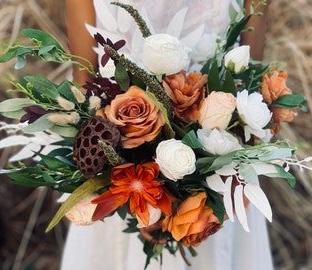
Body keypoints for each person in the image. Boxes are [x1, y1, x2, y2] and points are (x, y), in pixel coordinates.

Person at [61, 1, 273, 269]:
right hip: (122, 180)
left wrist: (230, 172)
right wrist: (139, 203)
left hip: (220, 161)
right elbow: (86, 94)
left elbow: (247, 75)